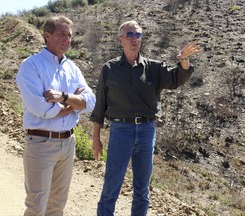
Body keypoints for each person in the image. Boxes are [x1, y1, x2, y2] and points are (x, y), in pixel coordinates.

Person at [90, 20, 200, 216]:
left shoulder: (153, 68)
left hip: (146, 131)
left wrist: (183, 59)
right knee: (111, 188)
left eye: (138, 35)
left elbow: (177, 78)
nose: (135, 39)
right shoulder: (109, 69)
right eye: (130, 35)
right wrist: (96, 139)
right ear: (120, 40)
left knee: (142, 190)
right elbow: (100, 106)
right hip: (120, 131)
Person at [16, 15, 95, 215]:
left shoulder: (71, 68)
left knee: (58, 205)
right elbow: (41, 109)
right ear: (47, 36)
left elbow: (91, 101)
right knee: (36, 205)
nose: (67, 40)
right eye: (62, 35)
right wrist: (73, 104)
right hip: (41, 143)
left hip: (68, 143)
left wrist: (64, 97)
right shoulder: (31, 66)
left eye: (69, 36)